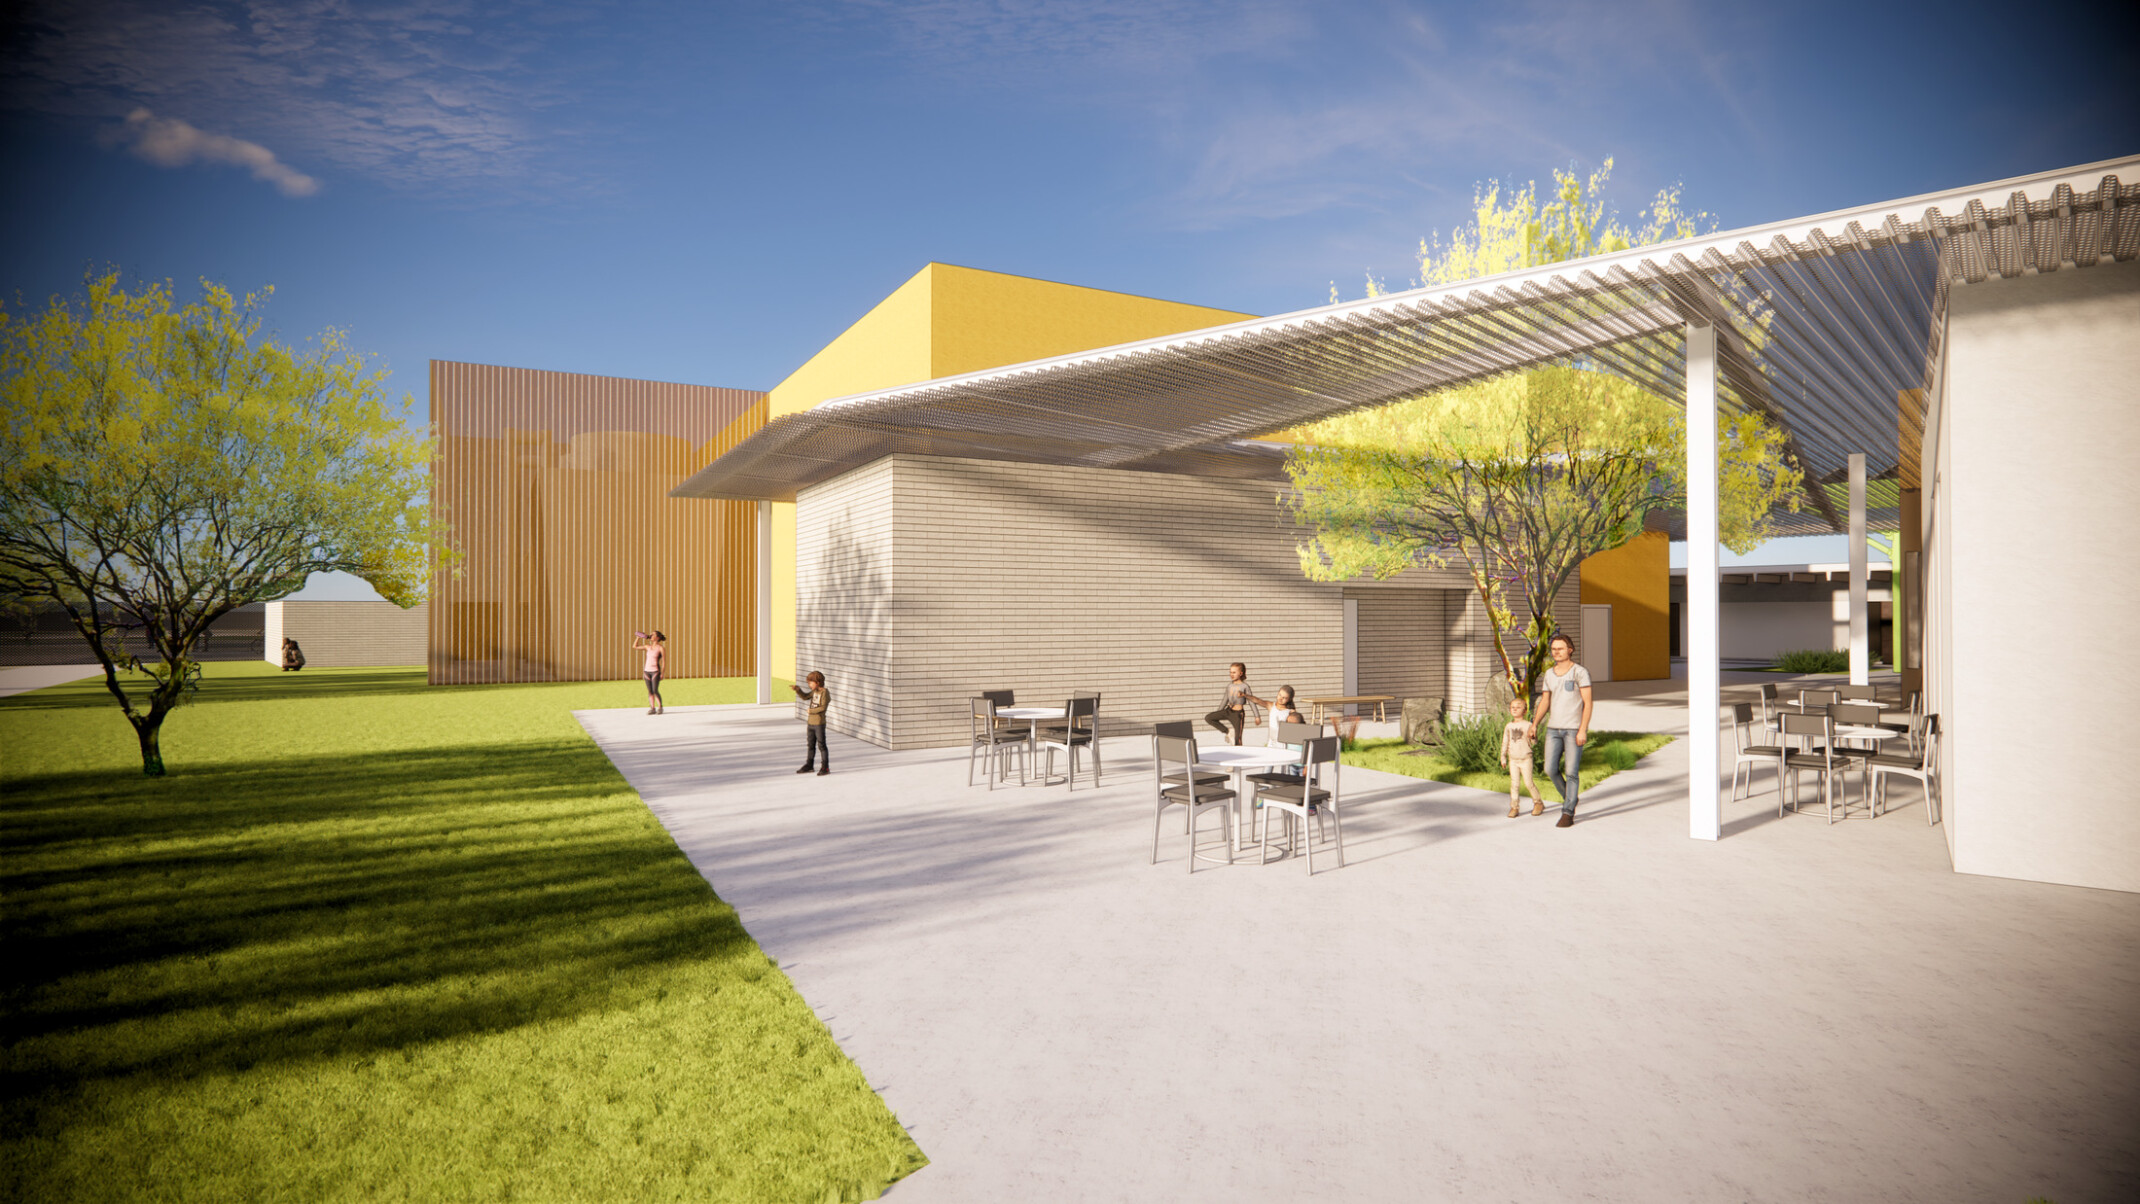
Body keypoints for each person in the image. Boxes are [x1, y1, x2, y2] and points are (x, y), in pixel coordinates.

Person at [1530, 632, 1594, 828]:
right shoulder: (1549, 674)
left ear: (1570, 650)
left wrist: (1583, 729)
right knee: (1550, 769)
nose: (1555, 652)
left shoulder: (1580, 672)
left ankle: (1567, 812)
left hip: (1573, 729)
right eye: (1553, 649)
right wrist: (1534, 723)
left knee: (1571, 771)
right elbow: (1545, 701)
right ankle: (1570, 797)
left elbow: (1588, 703)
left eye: (1560, 648)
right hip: (1553, 729)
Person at [1499, 695, 1545, 819]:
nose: (1514, 709)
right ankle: (1514, 807)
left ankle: (1538, 803)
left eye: (1518, 707)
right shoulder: (1508, 726)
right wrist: (1503, 757)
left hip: (1526, 759)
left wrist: (1533, 738)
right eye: (1512, 707)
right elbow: (1505, 742)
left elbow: (1534, 742)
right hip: (1513, 760)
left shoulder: (1528, 724)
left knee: (1529, 783)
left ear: (1525, 711)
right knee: (1514, 784)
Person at [1205, 662, 1268, 746]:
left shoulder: (1245, 686)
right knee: (1208, 718)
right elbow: (1225, 700)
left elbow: (1251, 701)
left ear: (1241, 673)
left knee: (1237, 740)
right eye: (1230, 672)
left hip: (1238, 715)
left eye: (1234, 672)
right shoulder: (1229, 686)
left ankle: (1240, 756)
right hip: (1228, 711)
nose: (1231, 674)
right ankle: (1228, 731)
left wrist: (1257, 716)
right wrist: (1218, 712)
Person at [792, 670, 830, 775]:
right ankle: (809, 765)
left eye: (810, 683)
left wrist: (811, 711)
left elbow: (823, 707)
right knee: (810, 745)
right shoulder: (814, 692)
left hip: (819, 723)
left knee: (821, 745)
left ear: (817, 682)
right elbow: (805, 697)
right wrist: (798, 690)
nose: (809, 685)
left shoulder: (824, 692)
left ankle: (825, 767)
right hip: (811, 723)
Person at [633, 630, 666, 715]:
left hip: (655, 671)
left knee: (655, 690)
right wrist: (638, 638)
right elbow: (635, 646)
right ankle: (652, 708)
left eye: (653, 634)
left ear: (657, 638)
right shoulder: (648, 647)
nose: (651, 635)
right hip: (646, 671)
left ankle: (660, 707)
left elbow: (664, 662)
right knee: (650, 691)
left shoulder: (661, 648)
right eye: (651, 634)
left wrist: (662, 673)